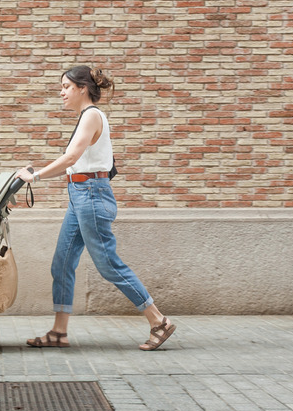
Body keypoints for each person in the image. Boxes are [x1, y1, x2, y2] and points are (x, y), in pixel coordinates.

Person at [16, 65, 176, 351]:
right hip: (80, 195)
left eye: (66, 86)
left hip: (91, 194)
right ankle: (59, 332)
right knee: (62, 263)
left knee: (107, 264)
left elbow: (71, 156)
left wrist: (36, 175)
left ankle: (158, 321)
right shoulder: (85, 117)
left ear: (81, 88)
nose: (61, 92)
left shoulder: (92, 115)